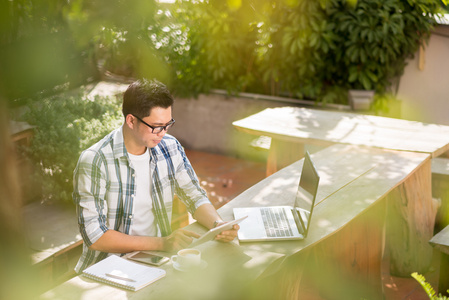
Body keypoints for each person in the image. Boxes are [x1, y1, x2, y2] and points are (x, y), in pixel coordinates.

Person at [73, 79, 239, 272]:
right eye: (157, 126)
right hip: (107, 269)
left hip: (156, 261)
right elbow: (95, 235)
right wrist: (162, 243)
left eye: (168, 124)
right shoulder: (95, 161)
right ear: (131, 120)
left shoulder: (170, 147)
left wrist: (217, 225)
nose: (163, 133)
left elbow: (194, 195)